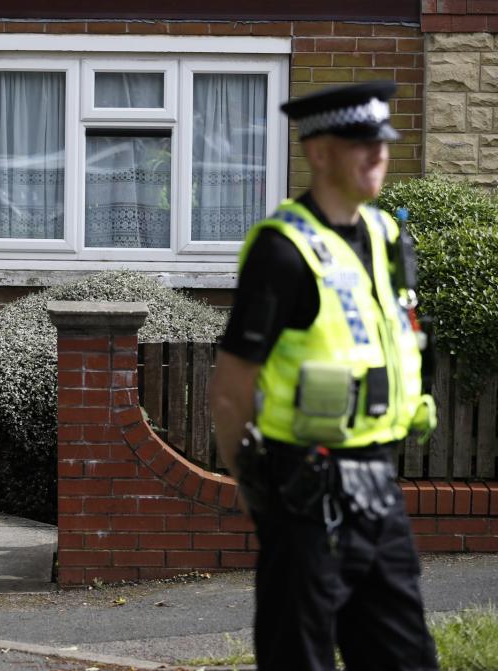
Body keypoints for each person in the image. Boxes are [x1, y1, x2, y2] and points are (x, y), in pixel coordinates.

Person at [208, 81, 439, 671]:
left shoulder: (386, 236)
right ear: (317, 151)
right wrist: (264, 499)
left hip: (380, 489)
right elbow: (233, 389)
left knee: (404, 655)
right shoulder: (282, 251)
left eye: (382, 141)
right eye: (359, 142)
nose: (377, 154)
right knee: (299, 659)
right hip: (305, 491)